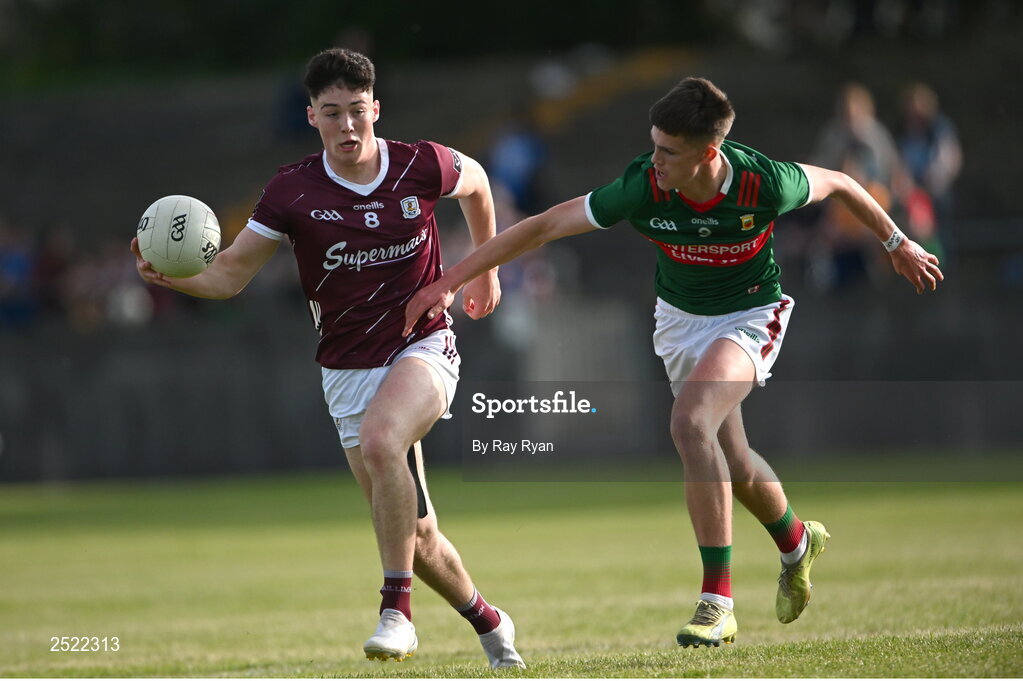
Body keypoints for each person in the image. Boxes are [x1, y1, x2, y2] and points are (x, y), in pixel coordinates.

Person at [405, 77, 943, 648]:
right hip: (680, 323)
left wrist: (897, 244)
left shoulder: (765, 182)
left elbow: (839, 182)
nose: (654, 161)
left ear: (709, 153)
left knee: (689, 423)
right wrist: (451, 279)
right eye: (654, 145)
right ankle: (797, 542)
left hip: (749, 316)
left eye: (668, 151)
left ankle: (716, 602)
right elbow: (543, 227)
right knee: (732, 462)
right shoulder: (642, 185)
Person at [131, 48, 525, 669]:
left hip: (423, 345)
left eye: (358, 112)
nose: (348, 126)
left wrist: (484, 271)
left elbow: (477, 186)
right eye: (333, 113)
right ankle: (491, 623)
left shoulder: (420, 164)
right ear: (312, 116)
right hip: (345, 369)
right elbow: (229, 275)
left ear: (376, 109)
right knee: (417, 537)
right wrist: (169, 278)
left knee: (381, 440)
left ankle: (396, 611)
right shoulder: (290, 191)